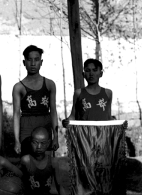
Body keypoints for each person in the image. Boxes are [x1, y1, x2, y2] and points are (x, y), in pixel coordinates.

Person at [62, 58, 128, 194]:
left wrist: (118, 125)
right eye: (87, 70)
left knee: (104, 170)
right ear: (83, 74)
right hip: (85, 140)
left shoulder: (108, 93)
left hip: (104, 140)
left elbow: (108, 116)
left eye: (94, 70)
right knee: (86, 169)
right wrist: (66, 122)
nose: (91, 73)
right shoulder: (79, 93)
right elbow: (73, 115)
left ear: (101, 73)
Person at [12, 45, 58, 156]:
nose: (33, 63)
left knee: (45, 162)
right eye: (29, 60)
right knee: (28, 161)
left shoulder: (49, 84)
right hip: (26, 125)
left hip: (45, 123)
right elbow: (16, 114)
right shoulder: (19, 87)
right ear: (24, 62)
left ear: (41, 62)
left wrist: (56, 136)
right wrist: (17, 140)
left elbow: (53, 111)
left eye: (36, 60)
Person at [20, 126, 66, 195]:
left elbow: (59, 185)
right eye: (35, 142)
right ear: (30, 142)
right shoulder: (26, 160)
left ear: (48, 143)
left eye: (43, 143)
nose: (38, 146)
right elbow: (17, 180)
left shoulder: (53, 162)